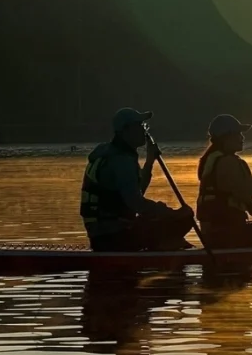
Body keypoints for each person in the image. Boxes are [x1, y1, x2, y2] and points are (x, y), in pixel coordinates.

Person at [80, 107, 195, 252]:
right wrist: (168, 212)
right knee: (185, 217)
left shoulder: (111, 152)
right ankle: (165, 248)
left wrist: (150, 160)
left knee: (174, 217)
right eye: (140, 126)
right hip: (113, 236)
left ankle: (167, 244)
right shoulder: (121, 160)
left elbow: (137, 190)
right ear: (125, 131)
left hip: (104, 233)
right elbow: (136, 203)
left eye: (144, 126)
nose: (144, 131)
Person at [196, 114, 252, 248]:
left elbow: (245, 202)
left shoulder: (215, 160)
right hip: (224, 235)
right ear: (226, 137)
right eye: (238, 134)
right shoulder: (227, 162)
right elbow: (246, 195)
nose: (242, 138)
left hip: (217, 234)